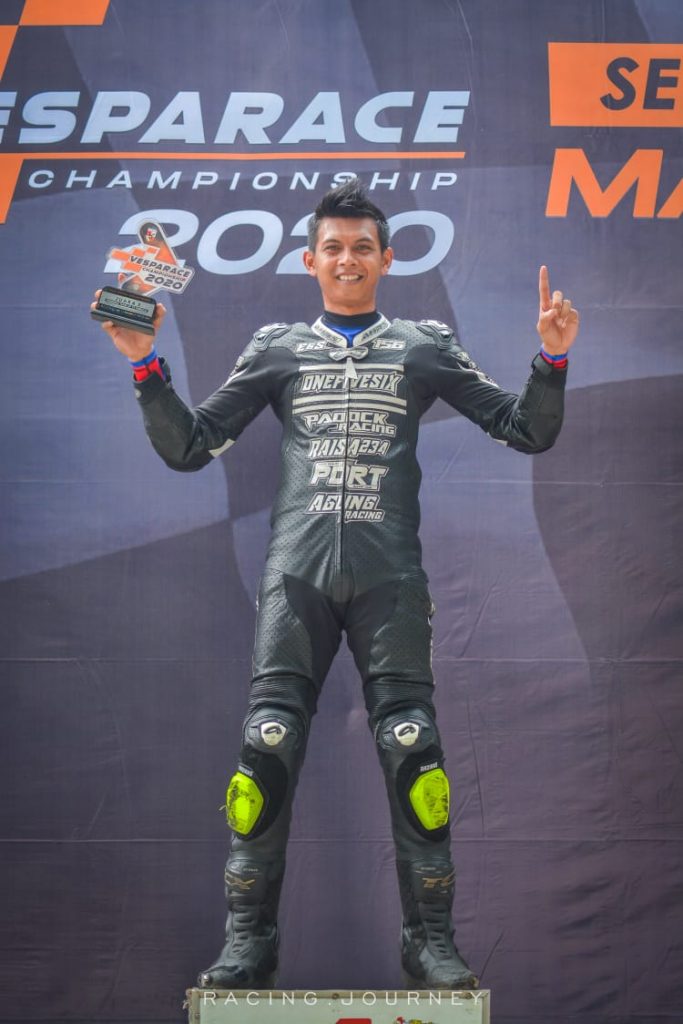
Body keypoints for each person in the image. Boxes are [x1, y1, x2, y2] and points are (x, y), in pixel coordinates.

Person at [93, 179, 579, 991]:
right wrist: (144, 360)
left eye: (361, 247)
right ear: (309, 260)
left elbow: (524, 428)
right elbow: (190, 446)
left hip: (390, 582)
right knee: (266, 749)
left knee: (413, 750)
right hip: (297, 580)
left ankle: (429, 944)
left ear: (386, 259)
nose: (347, 259)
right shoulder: (277, 347)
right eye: (333, 247)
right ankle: (248, 945)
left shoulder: (422, 344)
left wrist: (552, 358)